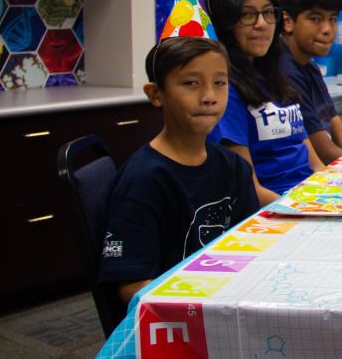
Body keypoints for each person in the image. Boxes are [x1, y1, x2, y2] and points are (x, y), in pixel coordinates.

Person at [98, 36, 259, 306]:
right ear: (155, 94)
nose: (209, 97)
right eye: (191, 83)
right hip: (182, 316)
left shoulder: (234, 168)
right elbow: (132, 287)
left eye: (219, 83)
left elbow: (253, 244)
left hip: (232, 299)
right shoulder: (143, 181)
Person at [207, 0, 324, 205]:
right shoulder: (225, 90)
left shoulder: (278, 80)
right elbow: (250, 190)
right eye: (248, 15)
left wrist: (340, 195)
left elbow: (315, 164)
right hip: (274, 210)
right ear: (226, 23)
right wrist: (305, 210)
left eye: (268, 13)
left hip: (311, 197)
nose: (261, 24)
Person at [279, 0, 342, 163]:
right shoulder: (284, 71)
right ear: (288, 21)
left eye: (332, 19)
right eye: (315, 18)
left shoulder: (309, 66)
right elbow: (325, 151)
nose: (327, 29)